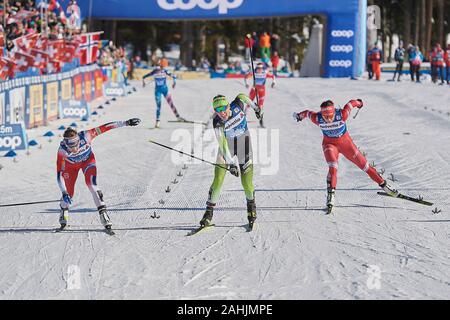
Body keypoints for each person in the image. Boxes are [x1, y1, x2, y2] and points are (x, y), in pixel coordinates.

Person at [292, 99, 398, 213]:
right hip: (330, 145)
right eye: (325, 116)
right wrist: (299, 116)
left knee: (365, 167)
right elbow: (307, 113)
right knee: (333, 167)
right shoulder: (317, 118)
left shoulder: (342, 114)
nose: (327, 119)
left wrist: (359, 103)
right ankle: (330, 197)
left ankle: (386, 187)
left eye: (330, 116)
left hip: (346, 145)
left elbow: (350, 104)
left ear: (334, 113)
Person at [57, 118, 141, 230]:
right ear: (65, 144)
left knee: (92, 185)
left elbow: (105, 127)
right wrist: (64, 192)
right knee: (69, 193)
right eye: (70, 147)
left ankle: (103, 214)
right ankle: (63, 209)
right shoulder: (62, 151)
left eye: (76, 144)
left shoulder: (86, 136)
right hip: (70, 167)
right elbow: (59, 174)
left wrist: (125, 123)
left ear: (78, 140)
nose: (74, 149)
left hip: (88, 161)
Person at [198, 94, 263, 230]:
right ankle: (208, 214)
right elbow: (222, 144)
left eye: (223, 108)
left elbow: (243, 97)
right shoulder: (217, 122)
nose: (221, 112)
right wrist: (231, 163)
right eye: (217, 109)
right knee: (218, 179)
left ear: (228, 106)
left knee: (246, 181)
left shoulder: (237, 105)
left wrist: (256, 108)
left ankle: (251, 208)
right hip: (227, 147)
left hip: (244, 145)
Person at [244, 62, 276, 127]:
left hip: (262, 90)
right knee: (249, 103)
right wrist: (246, 84)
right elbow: (246, 77)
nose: (259, 70)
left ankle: (261, 120)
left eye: (261, 68)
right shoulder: (254, 73)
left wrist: (273, 82)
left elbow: (273, 76)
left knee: (260, 106)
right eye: (258, 68)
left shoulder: (265, 73)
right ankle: (244, 117)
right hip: (254, 89)